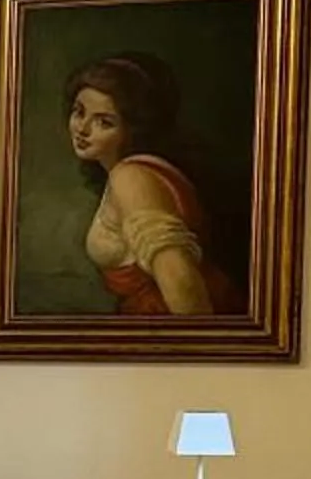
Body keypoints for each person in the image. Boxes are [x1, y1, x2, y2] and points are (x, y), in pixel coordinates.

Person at [63, 53, 239, 315]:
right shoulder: (132, 173)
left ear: (133, 129)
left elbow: (181, 284)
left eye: (104, 121)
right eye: (79, 112)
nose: (83, 129)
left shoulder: (132, 177)